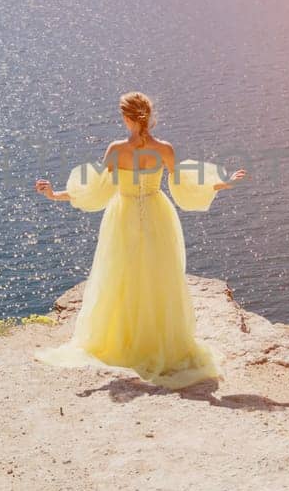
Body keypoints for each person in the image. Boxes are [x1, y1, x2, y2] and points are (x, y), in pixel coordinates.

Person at [33, 92, 246, 388]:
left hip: (123, 216)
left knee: (121, 276)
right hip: (158, 214)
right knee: (160, 277)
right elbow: (185, 184)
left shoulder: (117, 149)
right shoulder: (164, 149)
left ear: (127, 117)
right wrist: (224, 183)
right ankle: (159, 341)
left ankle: (125, 340)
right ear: (148, 115)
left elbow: (95, 190)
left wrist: (55, 194)